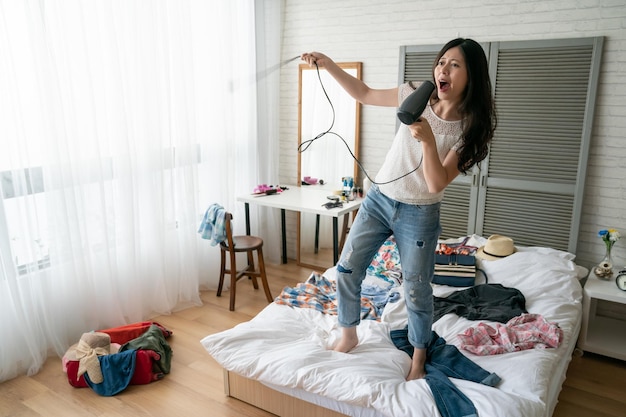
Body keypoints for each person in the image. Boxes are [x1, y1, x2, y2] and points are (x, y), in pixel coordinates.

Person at [300, 38, 496, 381]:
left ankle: (418, 357)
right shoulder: (413, 95)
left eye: (454, 65)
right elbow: (363, 93)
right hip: (378, 200)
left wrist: (428, 141)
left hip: (419, 213)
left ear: (472, 76)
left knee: (417, 288)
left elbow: (436, 183)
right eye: (441, 62)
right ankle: (349, 333)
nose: (442, 70)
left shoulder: (469, 129)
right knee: (347, 269)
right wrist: (329, 63)